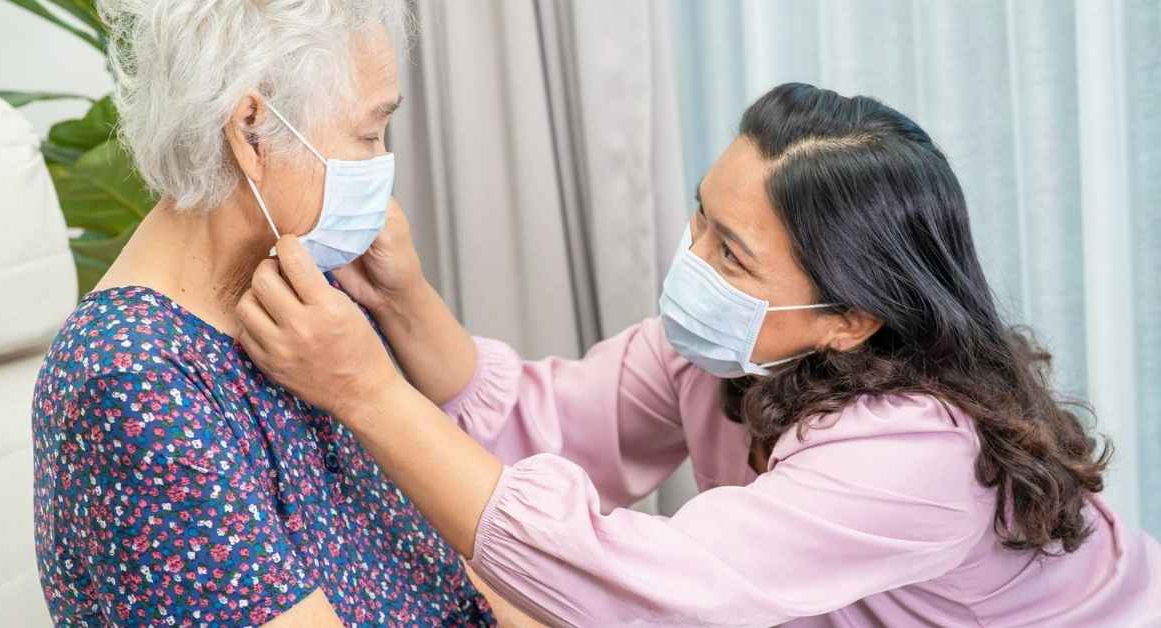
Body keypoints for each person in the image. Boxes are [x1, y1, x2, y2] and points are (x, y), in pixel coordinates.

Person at [238, 83, 1161, 627]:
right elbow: (550, 425)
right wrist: (403, 299)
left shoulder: (919, 449)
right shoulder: (735, 349)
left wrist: (362, 390)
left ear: (851, 317)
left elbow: (658, 599)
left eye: (731, 253)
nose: (692, 263)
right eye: (701, 219)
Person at [31, 1, 529, 625]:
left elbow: (454, 566)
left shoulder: (307, 303)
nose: (379, 166)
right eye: (368, 134)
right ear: (251, 130)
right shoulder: (133, 385)